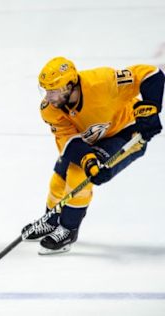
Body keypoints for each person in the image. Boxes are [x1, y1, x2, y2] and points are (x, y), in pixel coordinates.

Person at [23, 56, 164, 255]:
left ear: (70, 85)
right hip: (93, 139)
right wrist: (88, 159)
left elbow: (151, 74)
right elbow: (68, 140)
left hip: (127, 132)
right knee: (59, 178)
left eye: (53, 91)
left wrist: (150, 107)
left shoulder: (103, 82)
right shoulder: (50, 110)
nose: (48, 97)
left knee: (79, 175)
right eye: (46, 90)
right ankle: (50, 220)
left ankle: (68, 230)